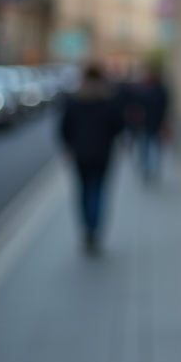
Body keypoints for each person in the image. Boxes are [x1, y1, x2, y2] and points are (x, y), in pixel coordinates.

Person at [59, 64, 125, 254]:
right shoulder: (109, 100)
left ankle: (86, 228)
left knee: (83, 191)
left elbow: (64, 129)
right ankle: (94, 230)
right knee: (98, 191)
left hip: (80, 154)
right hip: (103, 153)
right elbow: (118, 127)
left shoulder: (73, 101)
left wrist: (70, 146)